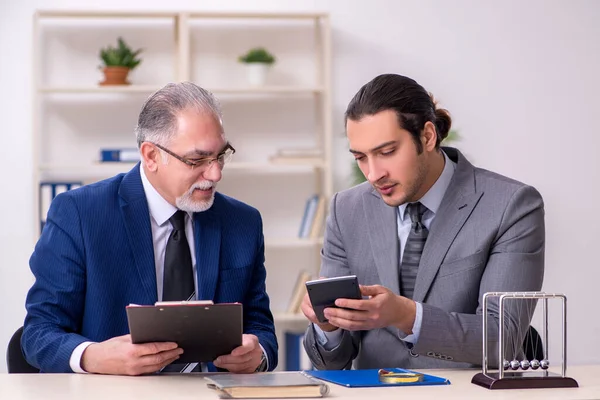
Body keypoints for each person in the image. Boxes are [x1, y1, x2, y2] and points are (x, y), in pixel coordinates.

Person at [22, 82, 277, 375]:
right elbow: (38, 333)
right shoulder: (79, 214)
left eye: (220, 155)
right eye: (197, 160)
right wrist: (94, 357)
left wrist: (258, 354)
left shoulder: (243, 223)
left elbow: (260, 327)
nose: (216, 173)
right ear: (151, 156)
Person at [302, 74, 544, 370]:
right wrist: (329, 326)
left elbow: (503, 340)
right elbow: (329, 362)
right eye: (360, 157)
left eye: (387, 152)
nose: (373, 173)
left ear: (427, 136)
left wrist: (406, 315)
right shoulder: (346, 210)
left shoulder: (511, 205)